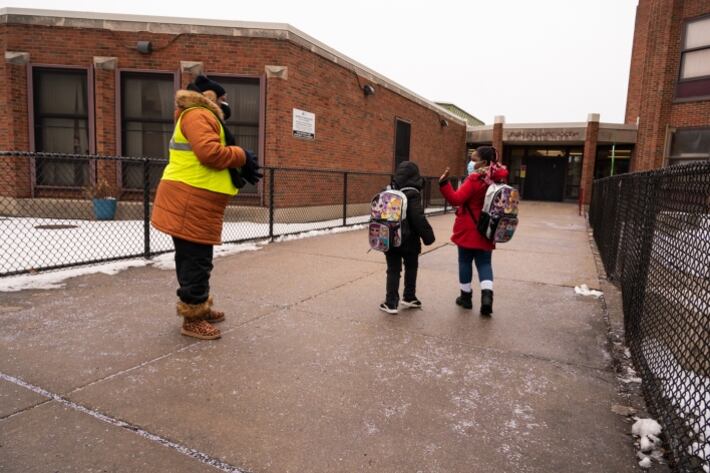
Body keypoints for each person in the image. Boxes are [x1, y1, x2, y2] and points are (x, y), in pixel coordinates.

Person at [151, 75, 262, 340]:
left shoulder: (198, 115)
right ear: (209, 97)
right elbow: (210, 154)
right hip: (190, 201)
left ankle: (200, 306)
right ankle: (192, 319)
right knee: (195, 261)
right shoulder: (198, 114)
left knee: (197, 259)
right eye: (222, 99)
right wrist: (242, 155)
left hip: (196, 201)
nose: (226, 104)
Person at [438, 146, 508, 316]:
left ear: (484, 162)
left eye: (474, 159)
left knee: (464, 262)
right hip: (487, 229)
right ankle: (487, 297)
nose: (471, 162)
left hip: (468, 228)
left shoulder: (475, 179)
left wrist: (443, 183)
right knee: (484, 264)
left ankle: (466, 298)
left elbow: (456, 198)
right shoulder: (497, 180)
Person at [380, 161, 436, 314]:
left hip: (391, 239)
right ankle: (409, 296)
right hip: (410, 240)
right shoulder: (412, 193)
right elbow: (417, 217)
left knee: (393, 270)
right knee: (411, 267)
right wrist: (428, 236)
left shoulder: (388, 191)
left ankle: (391, 302)